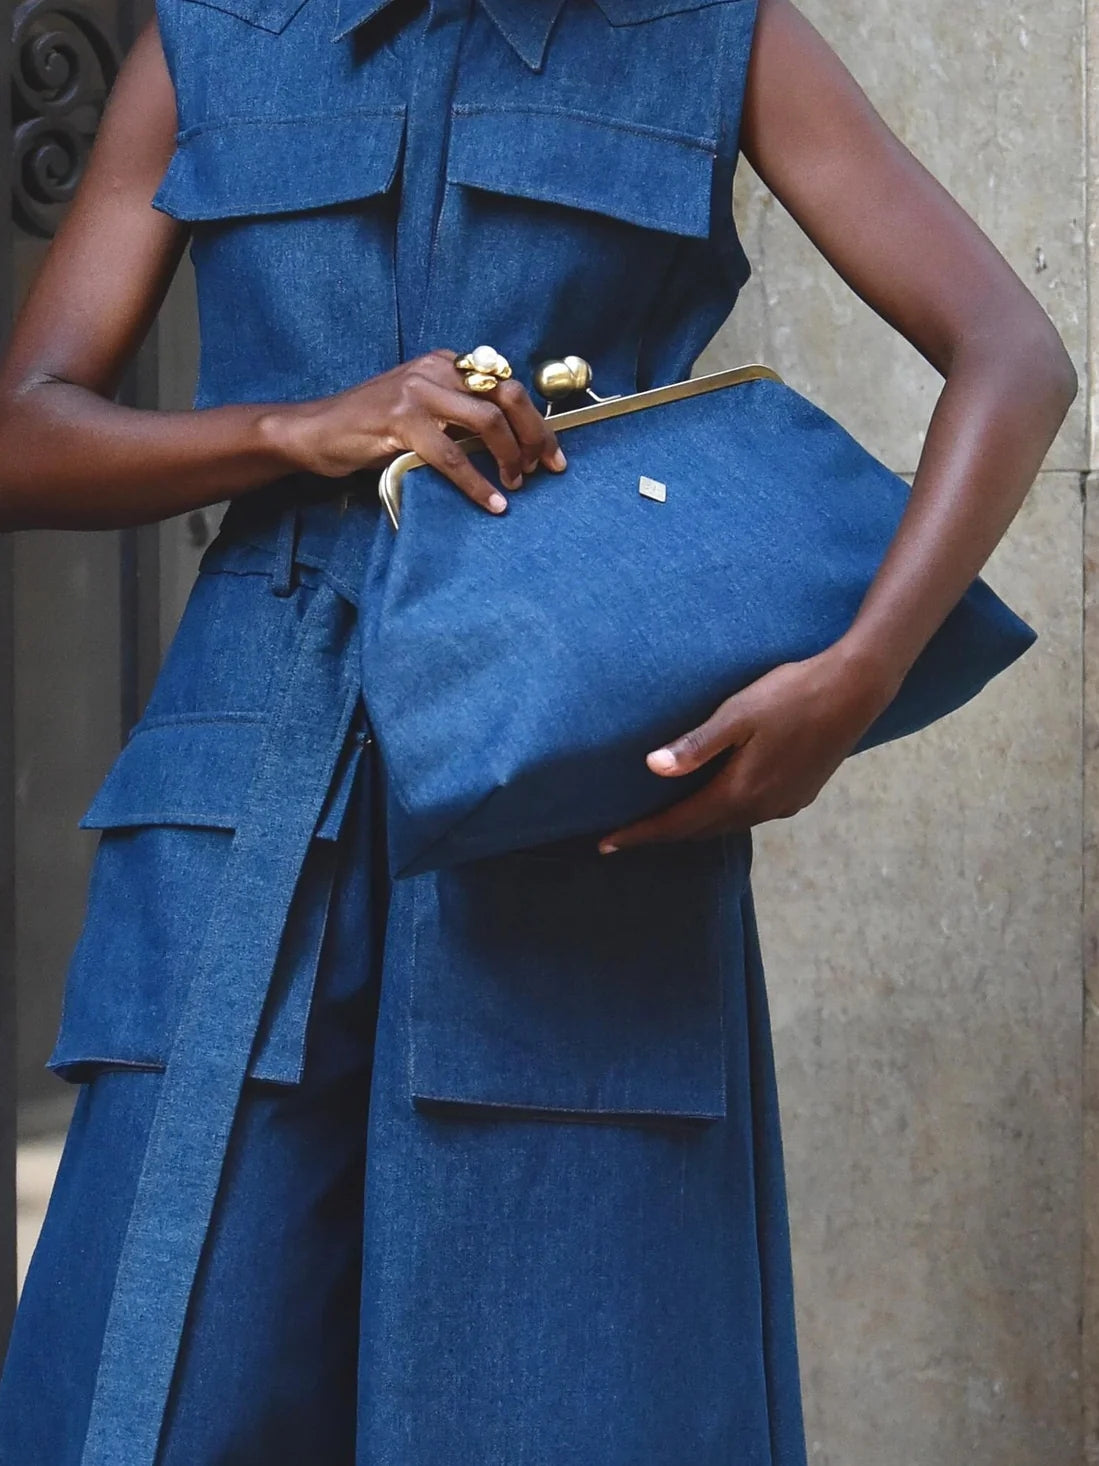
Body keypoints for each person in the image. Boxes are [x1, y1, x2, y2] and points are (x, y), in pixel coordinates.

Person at [0, 0, 1076, 1461]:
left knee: (569, 1403)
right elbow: (26, 429)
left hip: (575, 810)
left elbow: (1013, 354)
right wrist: (293, 427)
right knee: (164, 1398)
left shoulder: (718, 32)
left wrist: (862, 671)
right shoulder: (210, 33)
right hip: (239, 806)